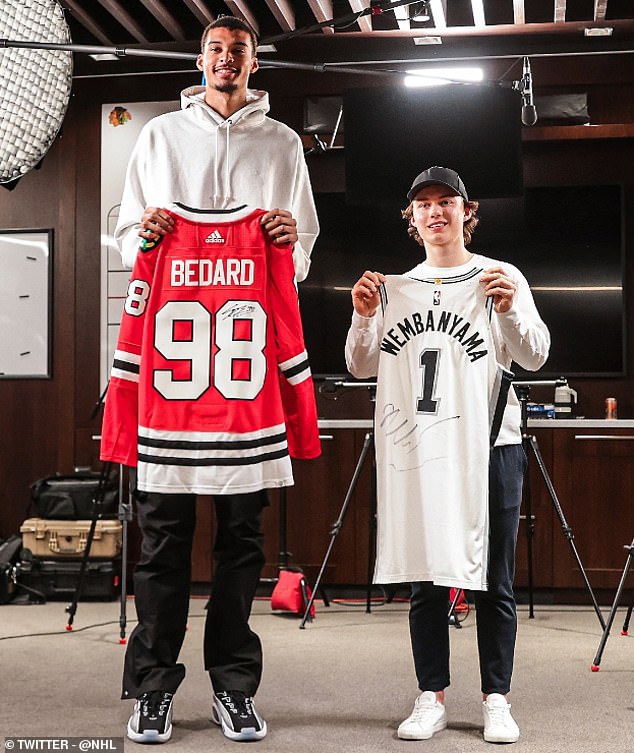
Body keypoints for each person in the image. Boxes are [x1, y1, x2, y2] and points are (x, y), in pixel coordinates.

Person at [102, 15, 321, 745]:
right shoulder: (161, 135)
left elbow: (302, 255)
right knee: (161, 539)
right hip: (174, 377)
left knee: (243, 539)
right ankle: (154, 686)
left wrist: (288, 244)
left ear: (255, 64)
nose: (227, 61)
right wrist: (147, 235)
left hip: (244, 382)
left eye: (240, 52)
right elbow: (127, 231)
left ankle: (234, 684)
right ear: (201, 60)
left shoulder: (284, 144)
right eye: (217, 50)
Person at [345, 166, 550, 744]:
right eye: (424, 204)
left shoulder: (501, 275)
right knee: (426, 577)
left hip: (491, 445)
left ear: (468, 211)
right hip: (423, 448)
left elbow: (534, 356)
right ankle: (430, 694)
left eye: (447, 202)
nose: (436, 212)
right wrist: (363, 315)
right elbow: (361, 365)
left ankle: (496, 698)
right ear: (411, 219)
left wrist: (509, 309)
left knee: (494, 579)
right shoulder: (393, 286)